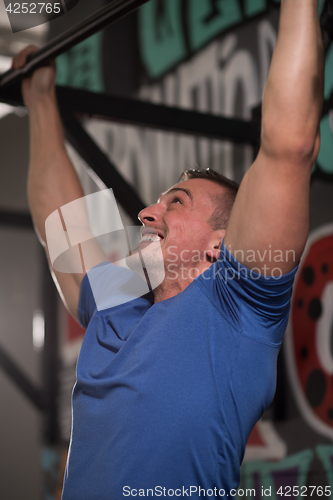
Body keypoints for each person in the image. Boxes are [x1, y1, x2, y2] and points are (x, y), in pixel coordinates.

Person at [13, 0, 324, 498]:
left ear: (221, 247)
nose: (146, 213)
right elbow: (61, 226)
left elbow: (288, 146)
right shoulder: (121, 298)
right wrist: (42, 96)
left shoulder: (236, 308)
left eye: (174, 203)